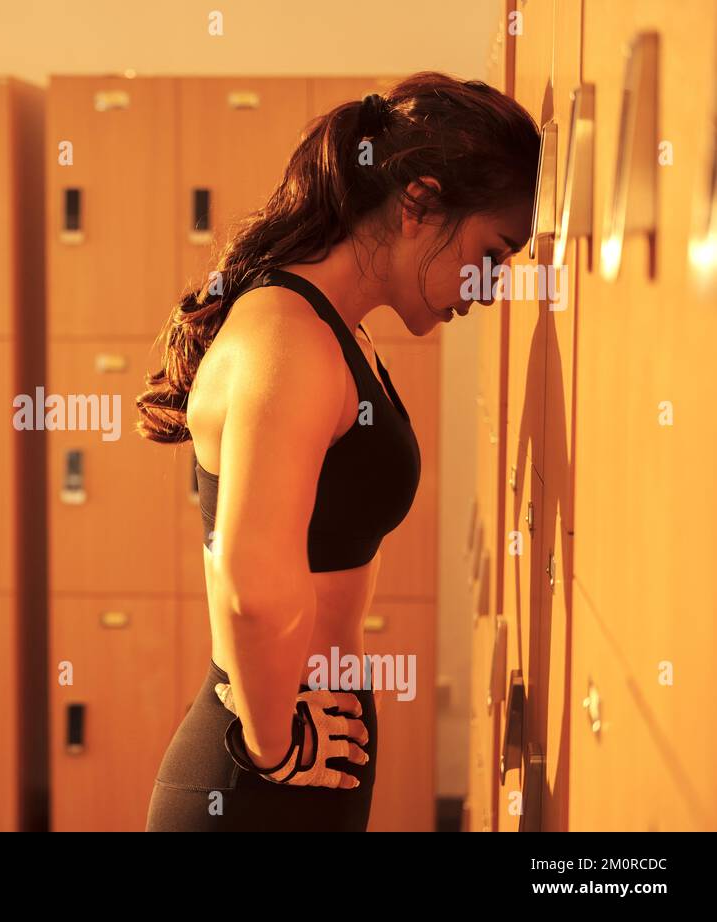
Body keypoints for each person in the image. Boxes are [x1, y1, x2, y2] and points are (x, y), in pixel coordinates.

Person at [136, 72, 539, 831]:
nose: (490, 287)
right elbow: (249, 587)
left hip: (302, 753)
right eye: (493, 251)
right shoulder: (287, 340)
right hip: (258, 777)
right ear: (419, 203)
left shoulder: (334, 331)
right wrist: (272, 750)